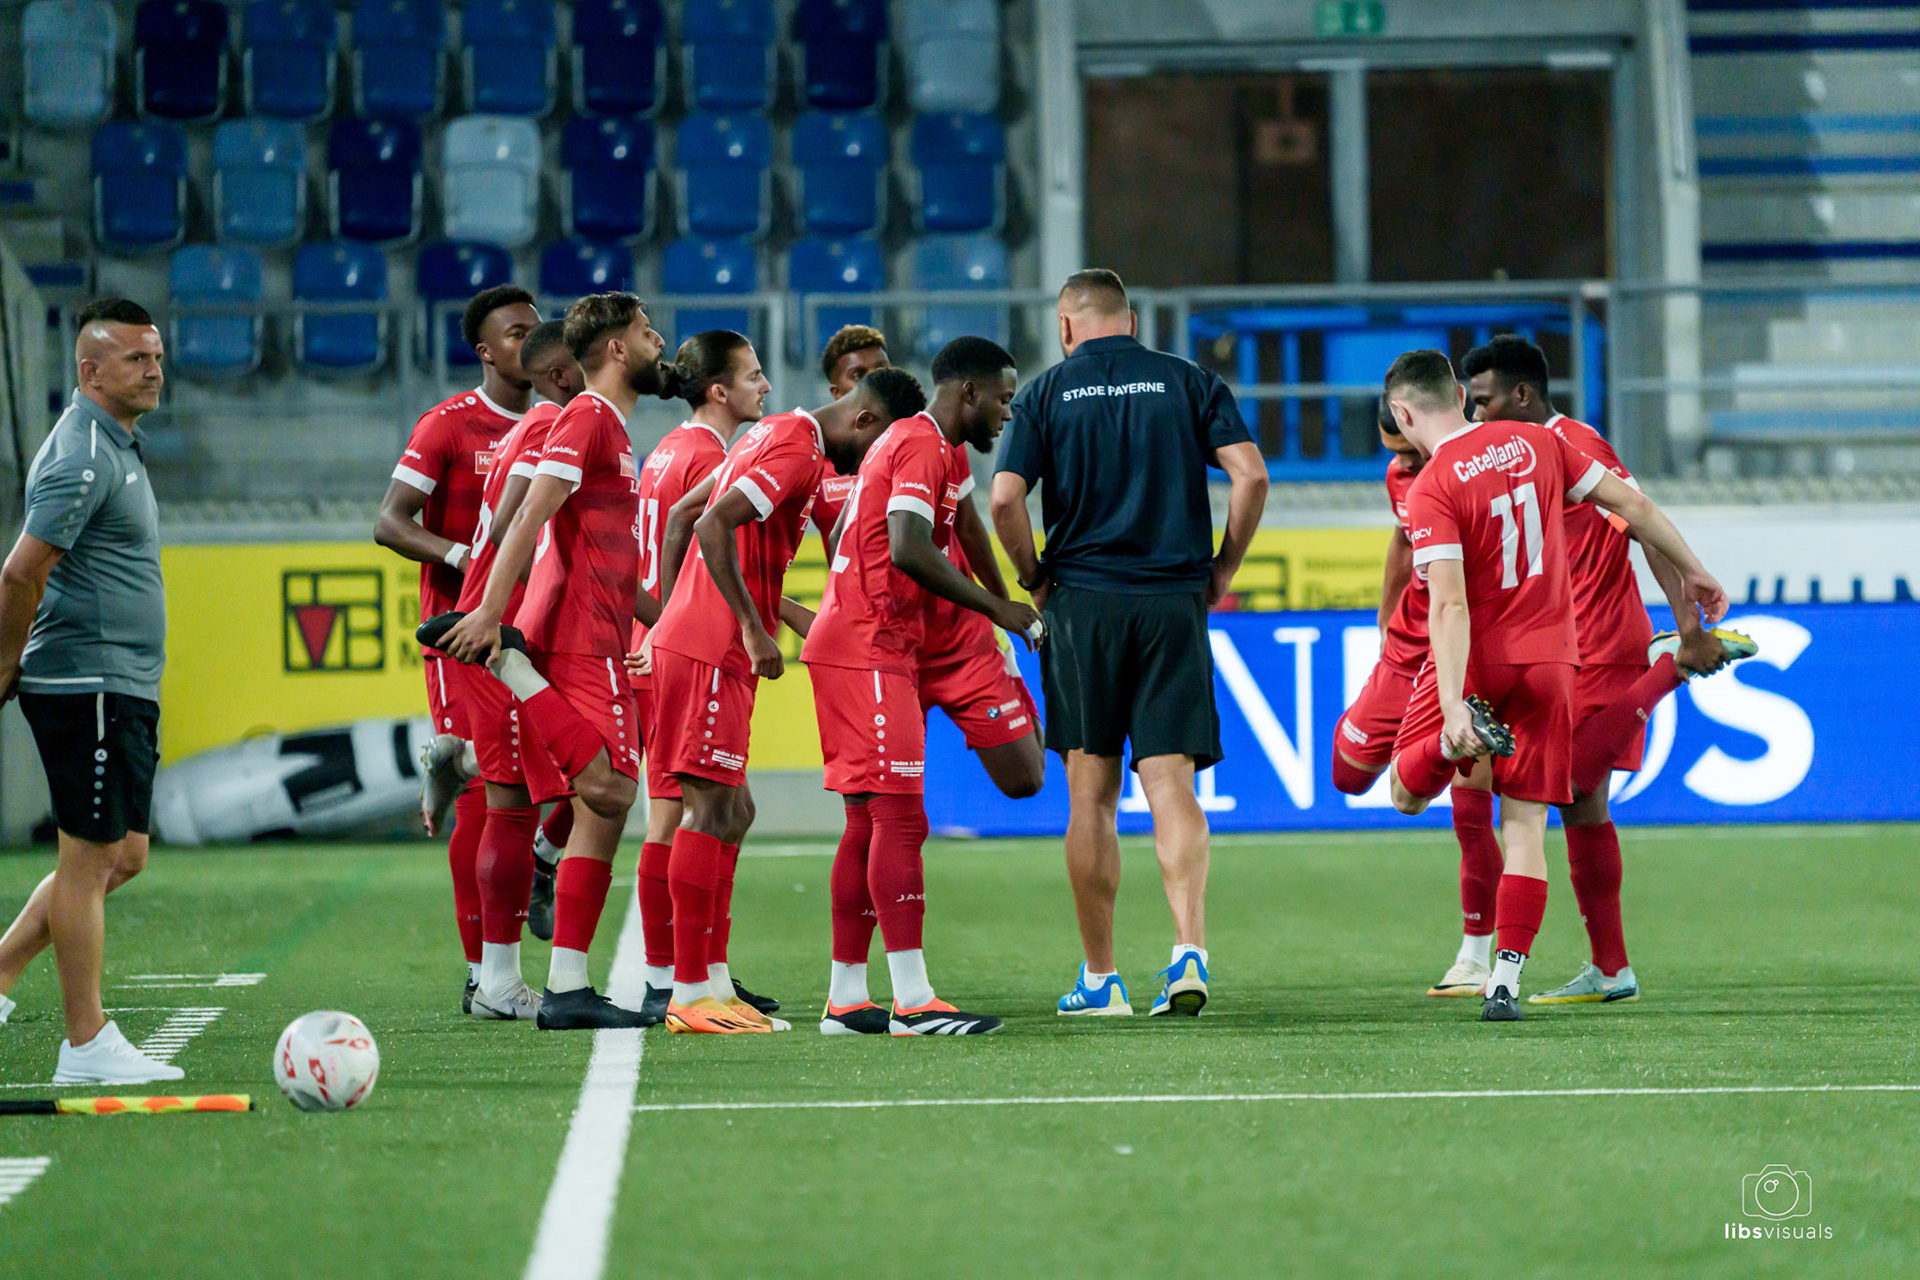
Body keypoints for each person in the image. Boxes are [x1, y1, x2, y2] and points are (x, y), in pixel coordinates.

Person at [1380, 349, 1728, 1022]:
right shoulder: (1539, 442)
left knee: (1404, 789)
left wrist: (1454, 707)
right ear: (1459, 392)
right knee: (1529, 827)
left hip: (1481, 661)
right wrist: (1696, 570)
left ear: (1402, 413)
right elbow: (1634, 503)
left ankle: (1459, 745)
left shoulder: (1431, 486)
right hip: (1551, 660)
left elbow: (1448, 605)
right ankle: (1504, 980)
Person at [991, 269, 1268, 1019]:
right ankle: (1189, 952)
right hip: (1170, 599)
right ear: (1133, 321)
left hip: (1082, 604)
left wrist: (1032, 577)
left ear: (1066, 326)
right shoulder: (1186, 380)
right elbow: (1250, 476)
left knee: (1092, 795)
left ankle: (1100, 977)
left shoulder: (1046, 392)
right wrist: (1222, 568)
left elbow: (1004, 497)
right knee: (1171, 785)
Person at [1460, 335, 1755, 1005]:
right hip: (1562, 650)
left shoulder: (1576, 445)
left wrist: (1687, 625)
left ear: (1523, 395)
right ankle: (1612, 968)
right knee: (1581, 806)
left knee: (1557, 786)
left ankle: (1672, 670)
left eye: (1483, 401)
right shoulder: (1510, 458)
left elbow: (1641, 522)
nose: (1475, 417)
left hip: (1597, 648)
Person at [642, 368, 925, 1033]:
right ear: (864, 421)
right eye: (880, 447)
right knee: (708, 808)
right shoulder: (796, 446)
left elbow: (685, 519)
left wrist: (683, 616)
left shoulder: (772, 432)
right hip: (713, 646)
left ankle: (712, 982)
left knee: (735, 808)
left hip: (709, 641)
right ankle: (687, 995)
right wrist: (735, 622)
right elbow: (711, 524)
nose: (877, 463)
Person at [434, 292, 672, 1031]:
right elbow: (523, 516)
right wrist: (492, 617)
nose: (659, 339)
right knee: (603, 791)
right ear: (611, 353)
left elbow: (597, 548)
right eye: (645, 331)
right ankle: (505, 978)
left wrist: (675, 622)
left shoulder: (604, 426)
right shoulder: (583, 418)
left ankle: (568, 982)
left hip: (587, 632)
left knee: (599, 808)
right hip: (561, 638)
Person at [801, 338, 1041, 1036]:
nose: (1007, 411)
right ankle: (913, 1001)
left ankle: (848, 999)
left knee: (868, 821)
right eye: (1002, 397)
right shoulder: (919, 443)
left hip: (867, 643)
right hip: (869, 643)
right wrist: (998, 608)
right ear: (967, 392)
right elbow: (908, 545)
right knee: (901, 820)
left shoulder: (922, 444)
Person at [0, 298, 179, 1083]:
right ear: (90, 371)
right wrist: (4, 666)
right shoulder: (80, 454)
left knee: (124, 855)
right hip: (86, 680)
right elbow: (20, 571)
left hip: (121, 683)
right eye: (135, 358)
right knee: (89, 857)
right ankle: (85, 1043)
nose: (153, 370)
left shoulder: (119, 445)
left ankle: (0, 973)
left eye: (157, 356)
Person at [374, 284, 540, 1013]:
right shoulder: (449, 424)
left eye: (538, 332)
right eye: (515, 334)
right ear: (485, 350)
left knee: (548, 774)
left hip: (531, 628)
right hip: (459, 630)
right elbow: (389, 522)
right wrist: (464, 551)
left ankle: (537, 862)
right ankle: (484, 975)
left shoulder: (553, 424)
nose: (530, 345)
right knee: (491, 788)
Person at [809, 326, 1046, 801]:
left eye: (884, 366)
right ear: (842, 393)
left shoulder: (934, 443)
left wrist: (999, 605)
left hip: (956, 634)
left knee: (1026, 776)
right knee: (882, 804)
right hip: (889, 643)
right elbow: (880, 545)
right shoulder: (843, 457)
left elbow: (968, 528)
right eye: (864, 375)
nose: (883, 378)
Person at [1329, 399, 1510, 998]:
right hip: (1405, 646)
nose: (1405, 462)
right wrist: (1385, 607)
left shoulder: (1477, 468)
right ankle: (1431, 741)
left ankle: (1475, 956)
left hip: (1459, 650)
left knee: (1469, 804)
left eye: (1408, 450)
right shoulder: (1402, 474)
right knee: (1348, 773)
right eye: (1396, 453)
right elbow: (1406, 540)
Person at [627, 330, 778, 1024]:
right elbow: (693, 548)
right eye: (752, 375)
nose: (764, 386)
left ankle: (700, 972)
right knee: (682, 817)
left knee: (718, 810)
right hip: (685, 648)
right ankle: (674, 978)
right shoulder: (711, 457)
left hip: (662, 641)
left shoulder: (667, 450)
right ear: (719, 390)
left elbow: (657, 549)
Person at [442, 321, 582, 1019]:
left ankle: (463, 761)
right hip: (502, 637)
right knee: (515, 804)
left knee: (579, 780)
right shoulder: (552, 423)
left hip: (518, 635)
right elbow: (504, 524)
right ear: (563, 373)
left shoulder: (543, 422)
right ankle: (496, 982)